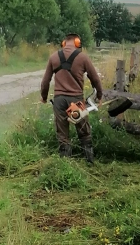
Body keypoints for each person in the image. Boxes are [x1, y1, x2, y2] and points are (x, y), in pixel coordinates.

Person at [40, 33, 103, 164]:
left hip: (59, 101)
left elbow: (45, 81)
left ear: (64, 43)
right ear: (77, 43)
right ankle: (90, 161)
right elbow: (95, 79)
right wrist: (99, 96)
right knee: (84, 131)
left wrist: (44, 97)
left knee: (62, 135)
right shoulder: (83, 57)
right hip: (76, 100)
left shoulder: (53, 57)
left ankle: (65, 165)